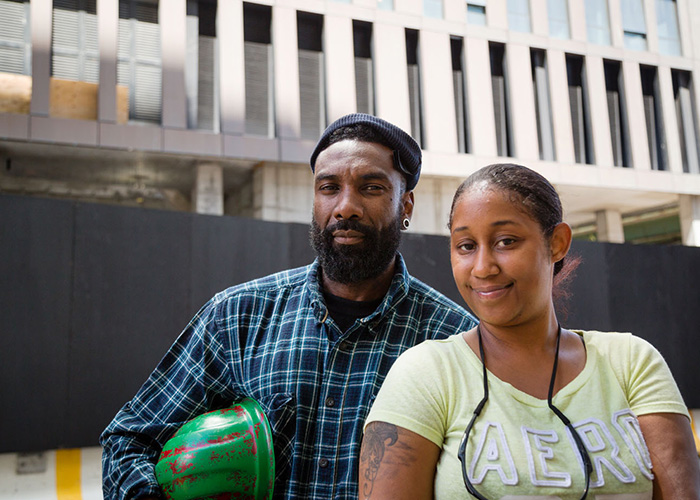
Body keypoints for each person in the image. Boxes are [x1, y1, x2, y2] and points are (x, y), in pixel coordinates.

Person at [99, 113, 478, 500]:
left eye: (371, 187)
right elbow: (130, 440)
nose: (346, 207)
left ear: (406, 205)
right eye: (329, 187)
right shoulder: (238, 317)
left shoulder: (454, 340)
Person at [360, 163, 700, 499]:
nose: (483, 267)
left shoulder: (631, 362)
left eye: (506, 241)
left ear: (557, 243)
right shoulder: (425, 373)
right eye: (466, 246)